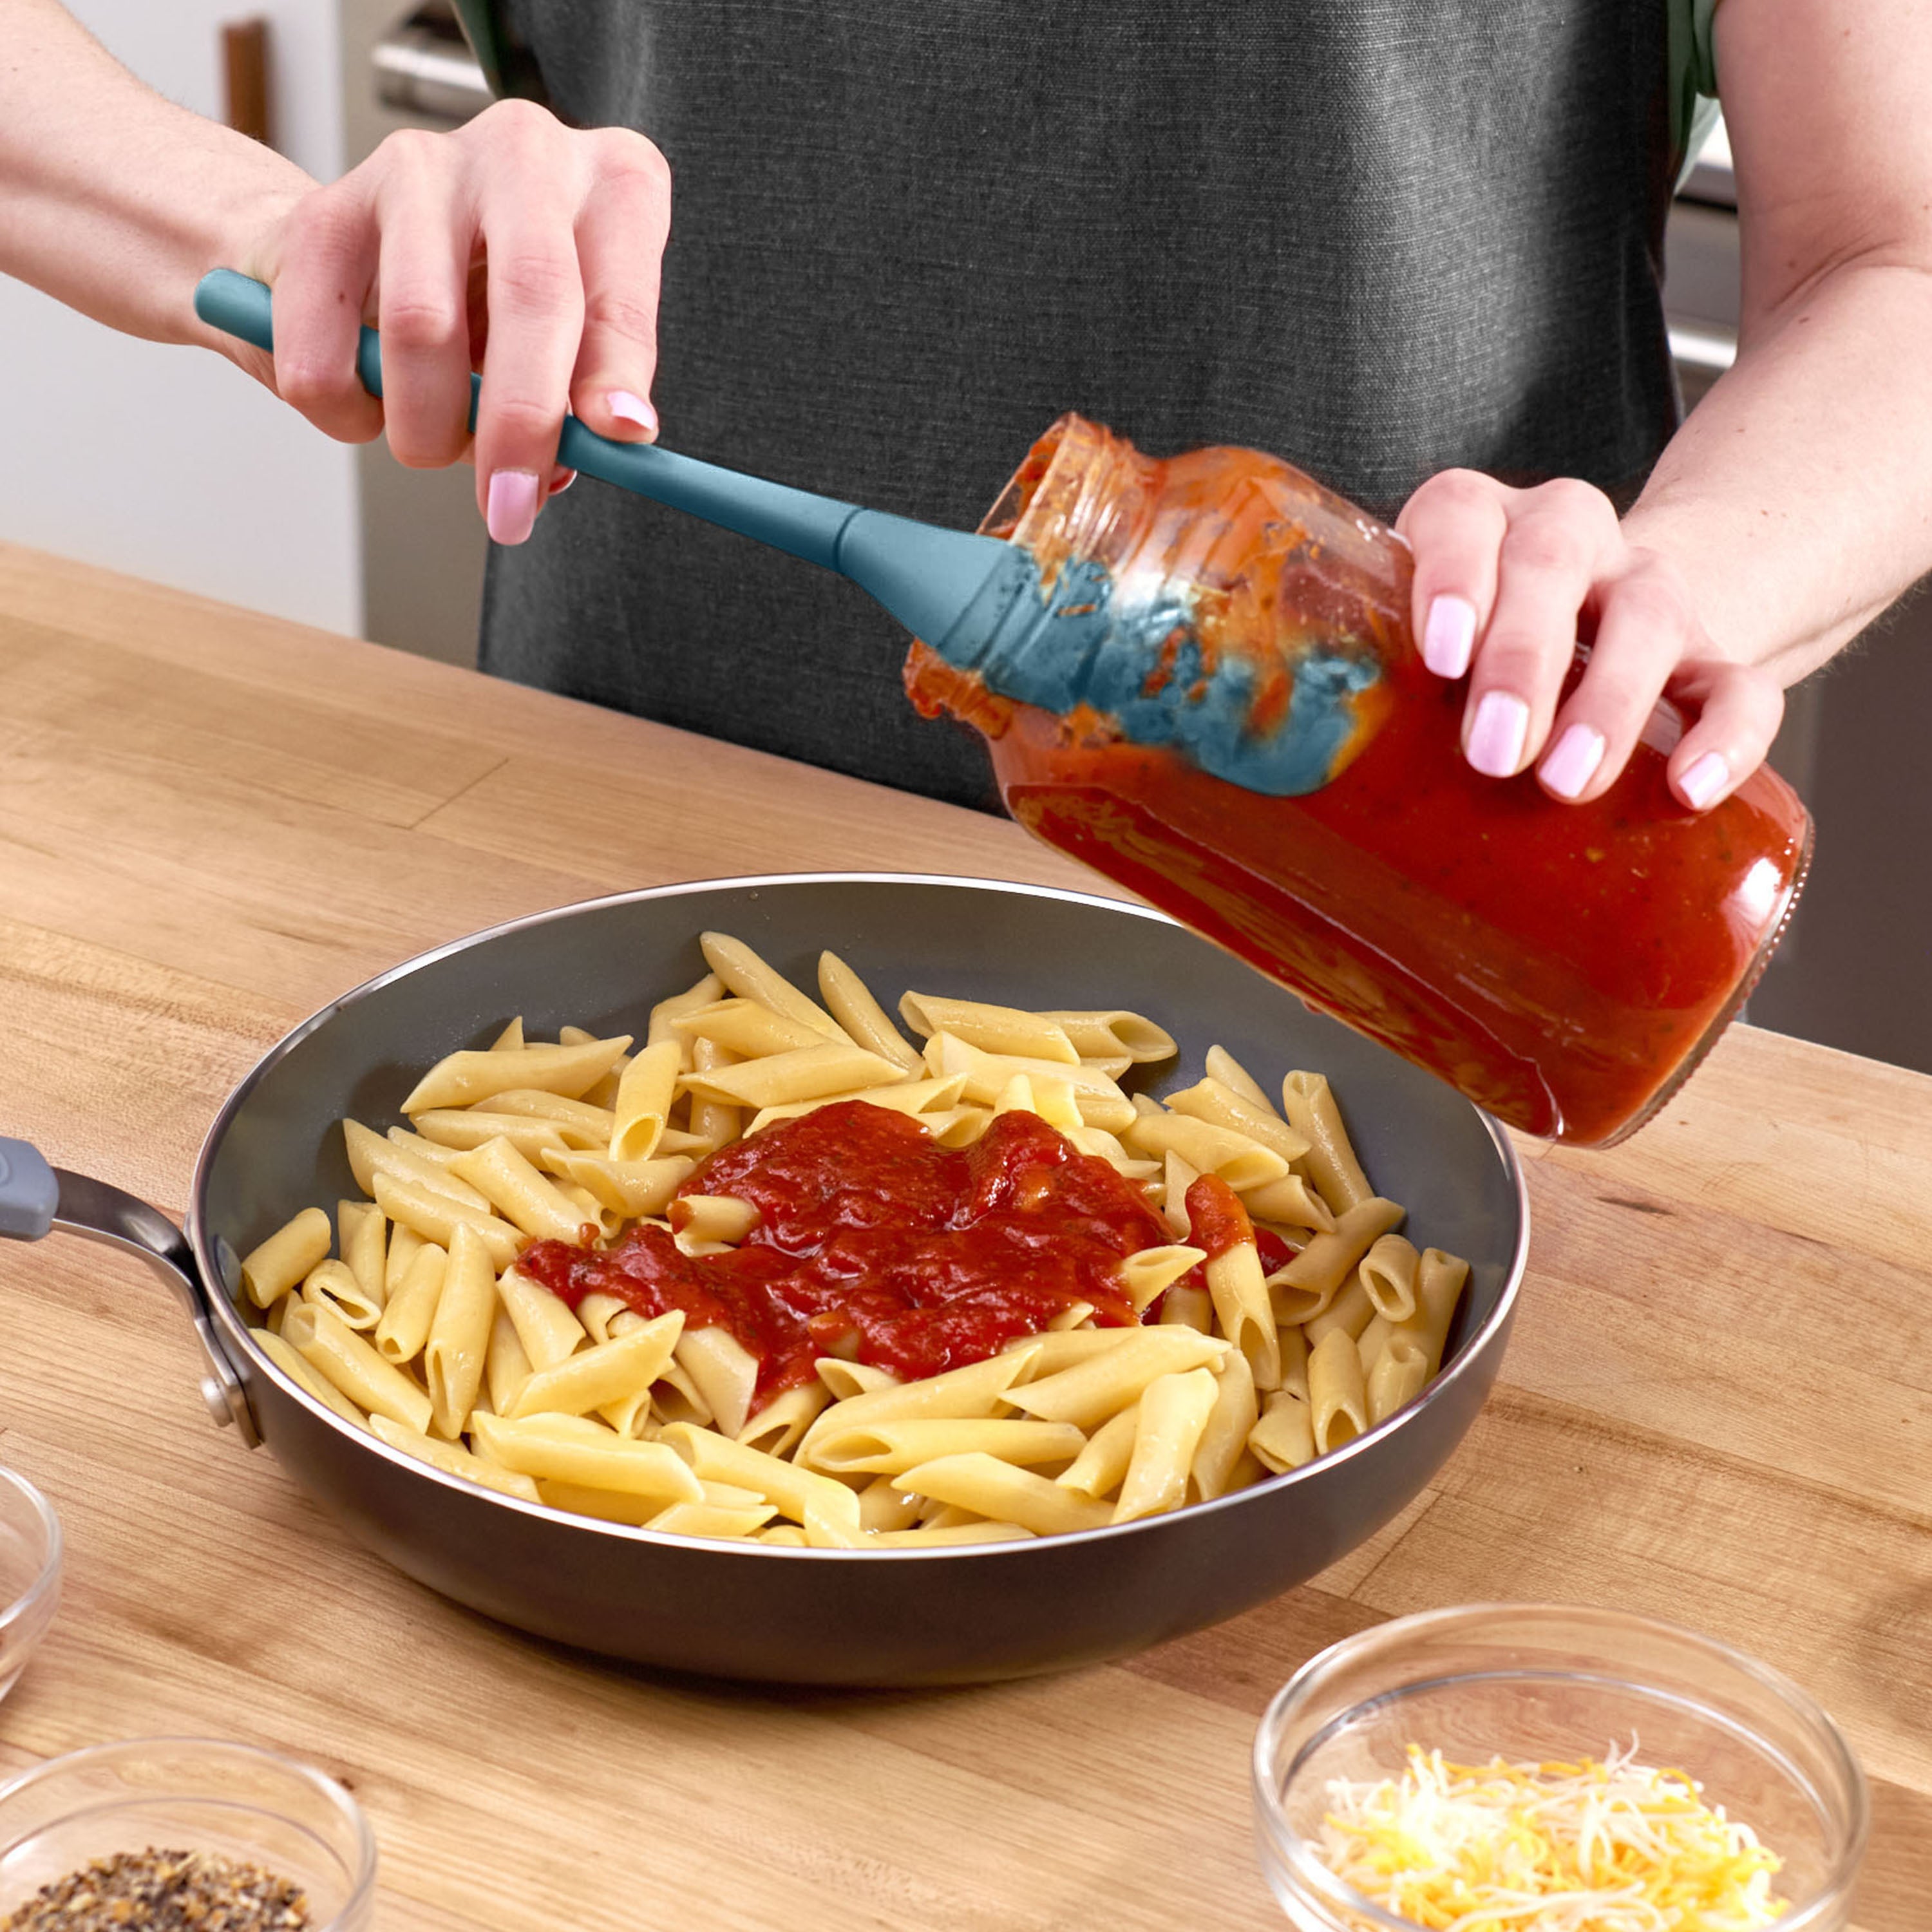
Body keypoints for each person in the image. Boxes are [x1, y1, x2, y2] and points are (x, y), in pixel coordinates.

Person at [5, 0, 1930, 817]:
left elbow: (1893, 267)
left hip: (1411, 976)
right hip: (609, 898)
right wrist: (289, 235)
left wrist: (1665, 592)